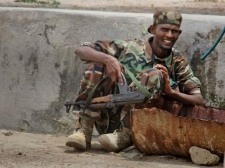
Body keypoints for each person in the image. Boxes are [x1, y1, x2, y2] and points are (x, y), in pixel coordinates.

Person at [66, 11, 205, 153]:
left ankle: (125, 135)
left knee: (155, 74)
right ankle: (84, 130)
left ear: (179, 33)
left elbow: (199, 99)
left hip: (142, 126)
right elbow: (81, 50)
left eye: (174, 31)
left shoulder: (177, 60)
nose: (169, 35)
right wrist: (108, 59)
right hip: (109, 116)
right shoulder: (129, 47)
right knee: (97, 64)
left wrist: (171, 92)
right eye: (164, 29)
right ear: (153, 29)